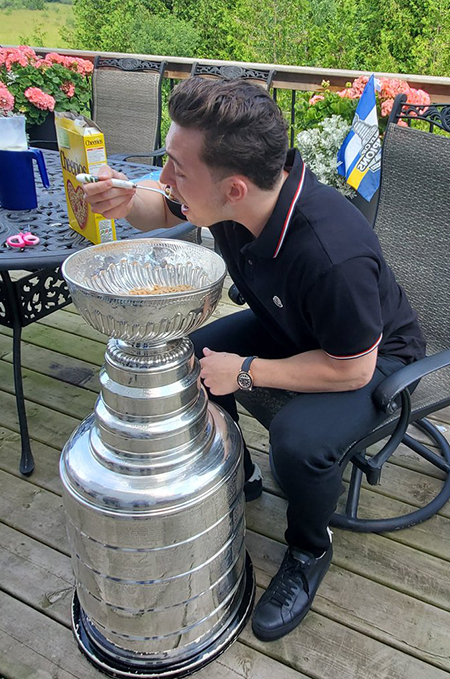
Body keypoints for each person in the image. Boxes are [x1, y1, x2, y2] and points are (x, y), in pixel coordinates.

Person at [82, 77, 426, 642]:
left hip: (374, 359)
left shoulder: (331, 252)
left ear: (234, 189)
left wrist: (244, 371)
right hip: (291, 327)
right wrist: (125, 199)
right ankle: (237, 474)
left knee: (299, 442)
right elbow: (160, 211)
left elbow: (352, 369)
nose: (165, 178)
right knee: (191, 356)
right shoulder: (230, 193)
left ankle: (309, 551)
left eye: (176, 168)